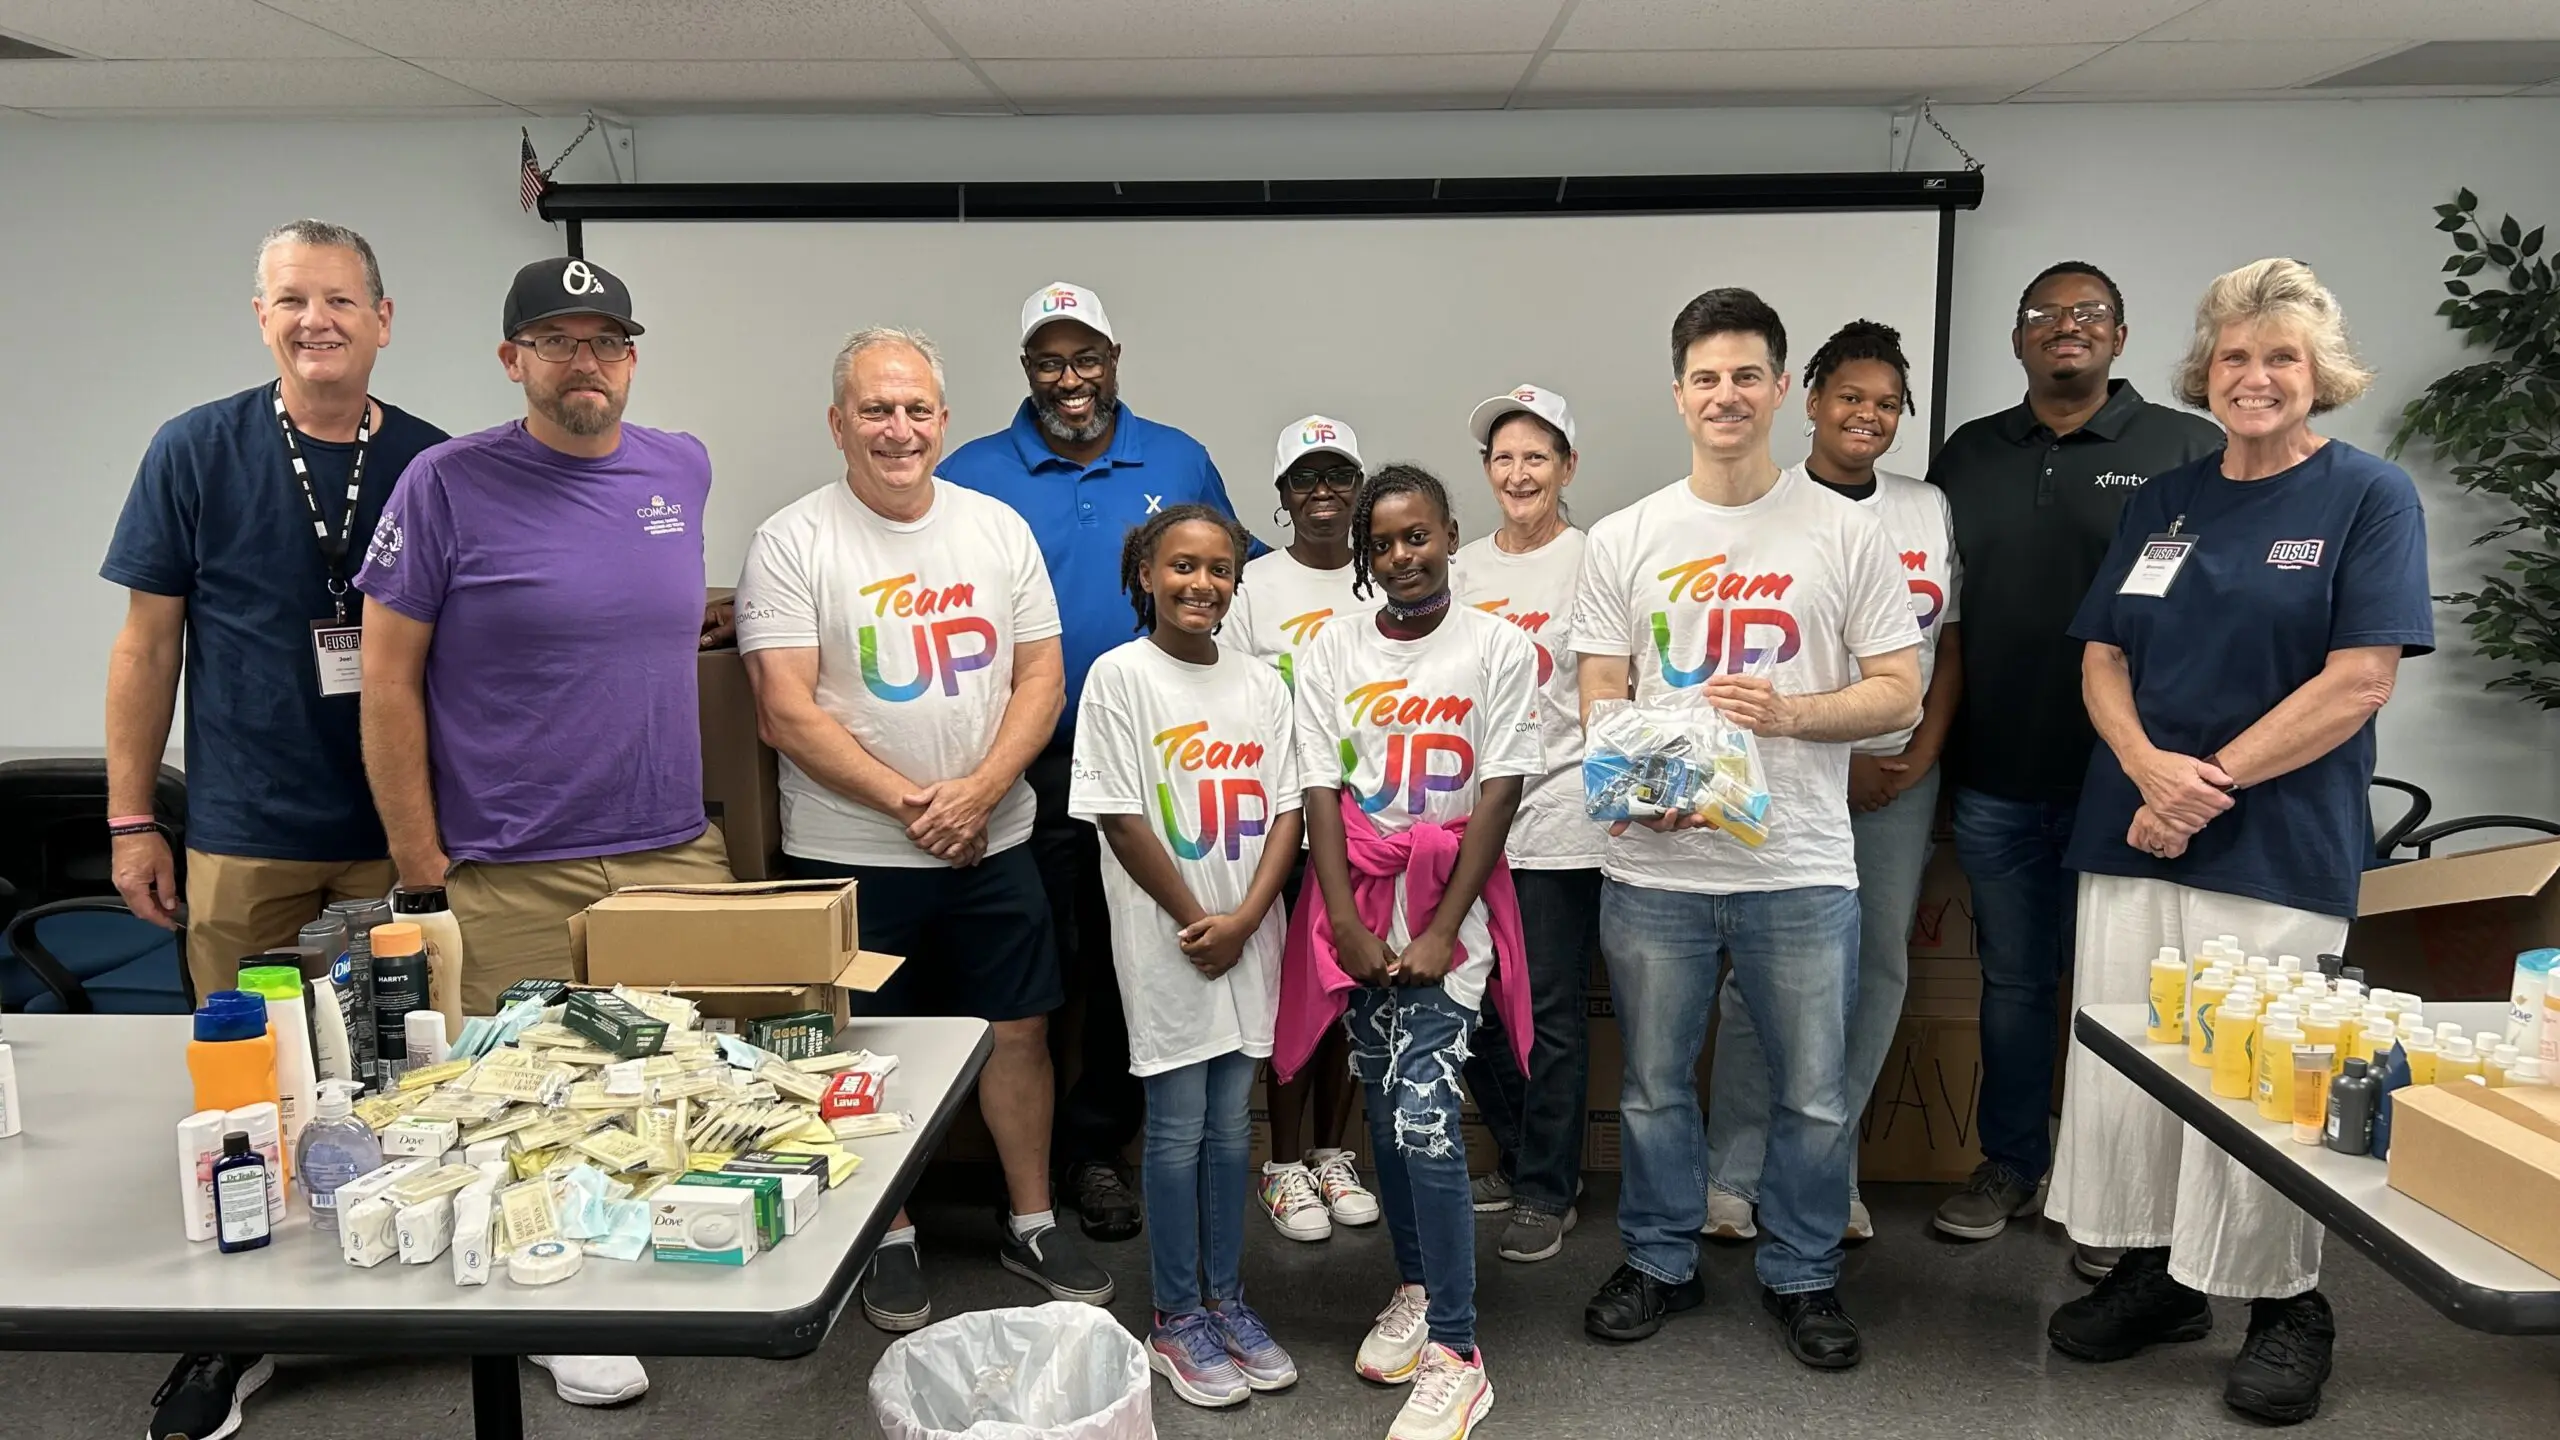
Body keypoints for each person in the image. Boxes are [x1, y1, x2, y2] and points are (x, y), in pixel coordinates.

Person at [2044, 259, 2429, 1425]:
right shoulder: (2166, 498)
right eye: (2232, 357)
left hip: (2274, 838)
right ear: (2202, 373)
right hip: (2133, 827)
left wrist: (2200, 785)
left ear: (2318, 376)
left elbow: (2359, 680)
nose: (2254, 377)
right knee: (2142, 1063)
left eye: (2280, 358)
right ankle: (2162, 1271)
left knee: (2259, 1077)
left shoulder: (2369, 497)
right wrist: (2148, 774)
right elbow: (2101, 651)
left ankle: (2282, 1305)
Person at [355, 256, 729, 1414]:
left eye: (607, 340)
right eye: (558, 341)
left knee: (680, 1090)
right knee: (523, 1104)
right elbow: (384, 684)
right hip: (511, 860)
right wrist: (423, 872)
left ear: (631, 356)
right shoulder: (444, 483)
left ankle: (642, 1280)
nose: (586, 362)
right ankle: (551, 1306)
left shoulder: (683, 466)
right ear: (512, 358)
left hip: (671, 846)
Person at [102, 220, 449, 1440]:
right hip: (246, 834)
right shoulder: (195, 450)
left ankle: (447, 1292)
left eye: (342, 300)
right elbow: (146, 646)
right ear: (262, 317)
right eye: (293, 300)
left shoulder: (430, 461)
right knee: (249, 1090)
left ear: (384, 317)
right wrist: (134, 815)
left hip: (399, 834)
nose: (319, 321)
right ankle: (230, 1332)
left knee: (409, 1077)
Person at [1570, 289, 1921, 1368]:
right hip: (1655, 868)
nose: (1725, 395)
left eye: (1745, 376)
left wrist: (1793, 716)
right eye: (1705, 377)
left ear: (1780, 391)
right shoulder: (1626, 537)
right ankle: (1660, 1259)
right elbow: (1598, 693)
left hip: (1802, 868)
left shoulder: (1848, 533)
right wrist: (1641, 780)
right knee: (1651, 1085)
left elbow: (1900, 693)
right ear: (1679, 395)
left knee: (1813, 1093)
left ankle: (1803, 1272)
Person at [736, 326, 1113, 1331]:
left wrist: (981, 792)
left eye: (914, 410)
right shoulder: (792, 541)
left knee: (1020, 1031)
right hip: (851, 853)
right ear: (837, 424)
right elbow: (786, 711)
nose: (897, 430)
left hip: (997, 840)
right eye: (874, 410)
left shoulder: (995, 529)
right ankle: (886, 1232)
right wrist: (919, 805)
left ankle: (1029, 1218)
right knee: (865, 1045)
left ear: (943, 422)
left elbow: (1042, 675)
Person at [942, 282, 1255, 1240]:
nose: (1070, 379)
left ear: (1115, 360)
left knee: (1139, 954)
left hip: (1159, 757)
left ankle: (1094, 1150)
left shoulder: (1176, 456)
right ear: (1027, 369)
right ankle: (1015, 1157)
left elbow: (1242, 567)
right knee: (1047, 962)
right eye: (1050, 360)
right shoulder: (972, 470)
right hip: (1022, 758)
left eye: (1087, 358)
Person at [1926, 262, 2223, 1263]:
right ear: (2017, 341)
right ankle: (2012, 1162)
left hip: (2131, 783)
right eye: (2044, 316)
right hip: (1996, 777)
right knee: (2013, 983)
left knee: (2123, 992)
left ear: (2120, 334)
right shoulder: (1966, 455)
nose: (2066, 328)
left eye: (2087, 313)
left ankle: (2117, 1200)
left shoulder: (2186, 450)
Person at [1273, 463, 1540, 1440]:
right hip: (1357, 906)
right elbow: (1318, 794)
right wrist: (1342, 920)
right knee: (1383, 1114)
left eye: (1416, 536)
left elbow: (1500, 792)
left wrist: (1436, 931)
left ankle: (1459, 1355)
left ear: (1450, 536)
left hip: (1445, 912)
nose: (1400, 557)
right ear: (1361, 555)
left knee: (1428, 1120)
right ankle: (1419, 1285)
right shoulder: (1330, 650)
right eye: (1380, 543)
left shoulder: (1499, 648)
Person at [1704, 322, 1963, 1247]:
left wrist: (1919, 757)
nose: (1867, 415)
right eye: (1849, 396)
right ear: (1806, 401)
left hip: (1899, 777)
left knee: (1876, 971)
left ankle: (1825, 1169)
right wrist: (1835, 751)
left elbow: (1946, 645)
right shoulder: (1759, 504)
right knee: (1758, 976)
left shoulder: (1925, 508)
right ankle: (1733, 1172)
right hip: (1787, 772)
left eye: (1887, 403)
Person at [1071, 505, 1306, 1409]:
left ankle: (1226, 1300)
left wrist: (1246, 918)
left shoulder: (1261, 682)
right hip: (1171, 940)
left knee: (1226, 1125)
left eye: (1218, 569)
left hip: (1247, 934)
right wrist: (1198, 917)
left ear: (1236, 582)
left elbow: (1288, 806)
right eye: (1181, 567)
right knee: (1172, 1131)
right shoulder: (1120, 678)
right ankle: (1173, 1317)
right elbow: (1121, 815)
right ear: (1145, 575)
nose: (1201, 584)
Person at [1449, 385, 1603, 1264]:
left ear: (1567, 468)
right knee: (1463, 1004)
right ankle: (1520, 1153)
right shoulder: (1463, 570)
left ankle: (1549, 1189)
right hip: (1468, 821)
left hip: (1560, 813)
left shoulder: (1597, 558)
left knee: (1547, 1012)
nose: (1518, 473)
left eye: (1536, 456)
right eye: (1503, 458)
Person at [1224, 414, 1382, 1243]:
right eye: (1305, 480)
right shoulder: (1253, 590)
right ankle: (1282, 1164)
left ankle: (1331, 1152)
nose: (1323, 492)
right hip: (1284, 824)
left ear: (1359, 490)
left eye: (1339, 476)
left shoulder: (1385, 577)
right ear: (1282, 497)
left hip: (1370, 826)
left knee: (1353, 999)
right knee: (1294, 999)